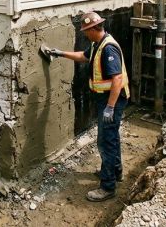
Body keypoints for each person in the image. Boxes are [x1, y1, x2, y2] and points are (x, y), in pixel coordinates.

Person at [44, 12, 130, 202]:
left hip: (112, 100)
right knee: (111, 137)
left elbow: (116, 79)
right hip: (107, 100)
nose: (84, 34)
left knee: (105, 141)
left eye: (85, 31)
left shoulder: (108, 49)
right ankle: (115, 172)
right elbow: (84, 56)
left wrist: (110, 107)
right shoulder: (97, 44)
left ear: (93, 29)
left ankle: (107, 187)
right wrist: (60, 53)